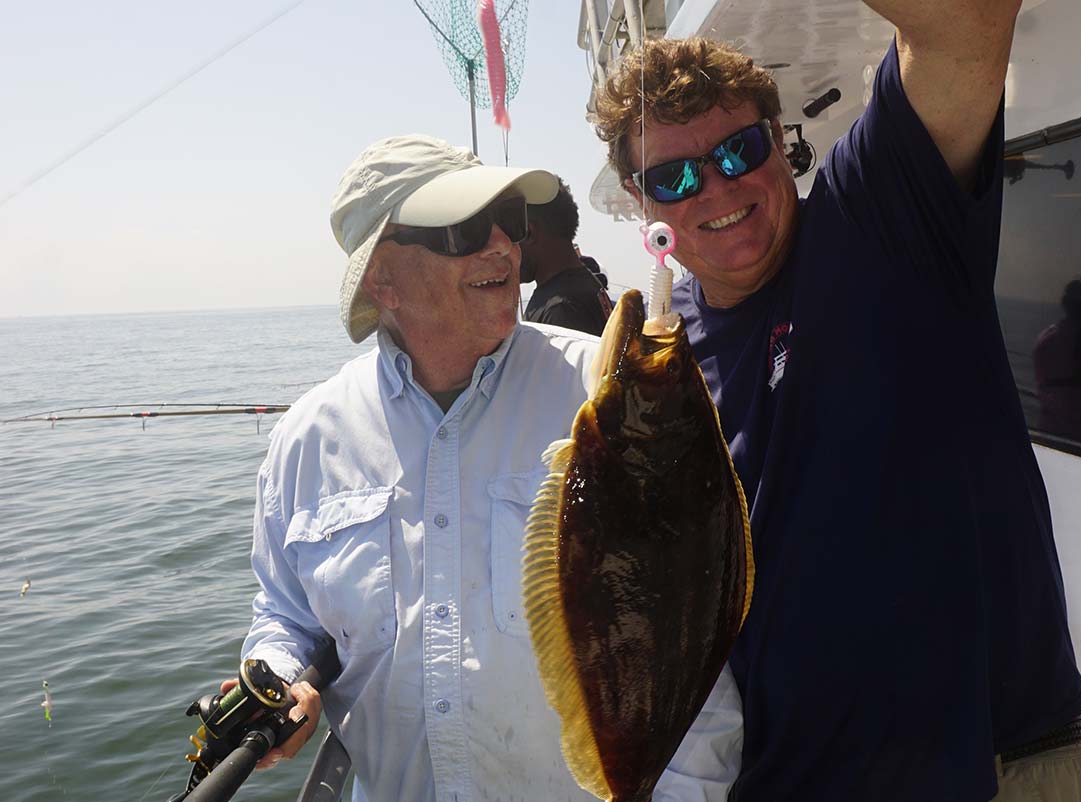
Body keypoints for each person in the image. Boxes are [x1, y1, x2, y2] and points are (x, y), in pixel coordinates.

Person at [592, 3, 1081, 801]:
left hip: (994, 766)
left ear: (780, 138)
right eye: (675, 176)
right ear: (642, 200)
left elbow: (967, 27)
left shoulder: (877, 217)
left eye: (740, 148)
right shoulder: (664, 357)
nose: (717, 186)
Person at [233, 135, 742, 802]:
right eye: (466, 228)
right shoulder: (306, 439)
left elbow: (692, 636)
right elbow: (285, 612)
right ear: (380, 277)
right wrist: (273, 675)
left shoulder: (608, 392)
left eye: (510, 220)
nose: (502, 245)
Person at [519, 176, 613, 335]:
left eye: (510, 235)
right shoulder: (584, 285)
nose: (502, 250)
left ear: (529, 233)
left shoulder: (561, 309)